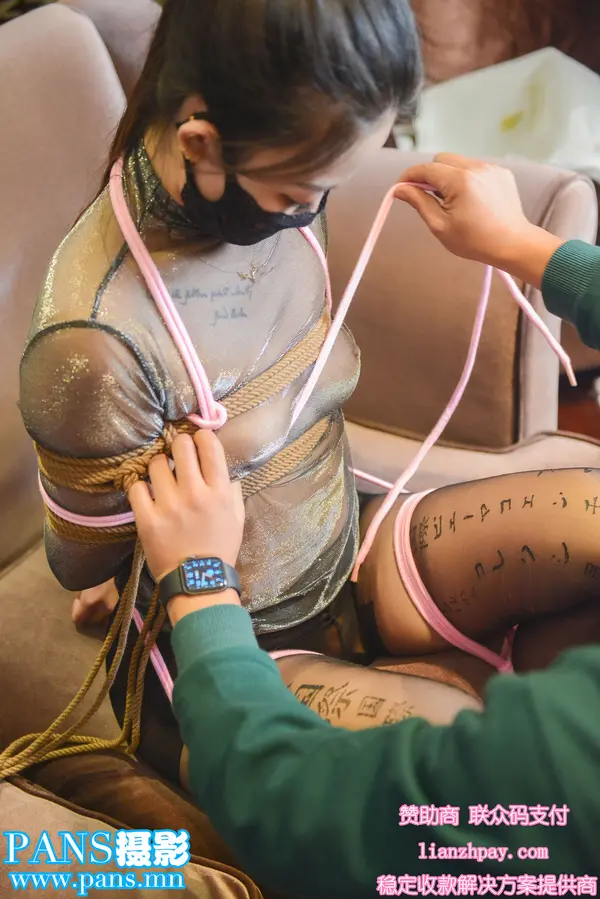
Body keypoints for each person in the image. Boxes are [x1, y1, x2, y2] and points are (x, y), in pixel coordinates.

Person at [17, 0, 599, 788]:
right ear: (202, 143)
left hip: (347, 545)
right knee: (496, 777)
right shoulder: (93, 339)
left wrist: (526, 248)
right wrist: (136, 555)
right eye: (305, 188)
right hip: (224, 639)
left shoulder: (274, 203)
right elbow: (78, 555)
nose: (316, 211)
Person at [126, 156, 600, 896]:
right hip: (544, 719)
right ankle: (368, 595)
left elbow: (287, 800)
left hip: (277, 745)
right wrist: (526, 245)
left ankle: (177, 683)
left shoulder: (564, 786)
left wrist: (196, 583)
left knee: (453, 745)